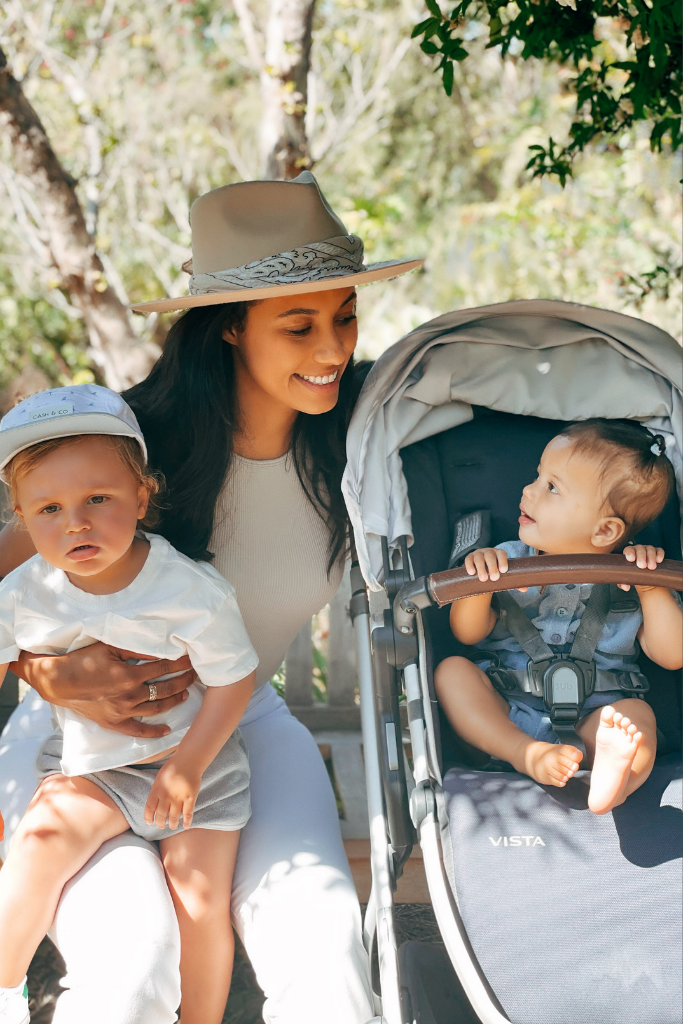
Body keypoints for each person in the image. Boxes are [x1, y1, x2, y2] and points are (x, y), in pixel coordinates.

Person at [0, 171, 422, 1024]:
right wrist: (49, 675)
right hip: (78, 744)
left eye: (344, 315)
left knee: (324, 938)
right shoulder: (123, 454)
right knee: (134, 955)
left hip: (234, 722)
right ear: (229, 328)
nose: (332, 348)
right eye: (298, 326)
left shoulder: (357, 447)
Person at [0, 385, 258, 1024]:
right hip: (95, 771)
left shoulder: (189, 589)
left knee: (199, 906)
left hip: (196, 768)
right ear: (23, 519)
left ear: (142, 496)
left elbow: (233, 682)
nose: (76, 524)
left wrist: (189, 766)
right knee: (36, 850)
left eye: (98, 499)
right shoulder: (26, 593)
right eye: (49, 509)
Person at [435, 419, 683, 815]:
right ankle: (526, 753)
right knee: (451, 671)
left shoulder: (634, 571)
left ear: (605, 531)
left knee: (638, 718)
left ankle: (612, 783)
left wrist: (651, 587)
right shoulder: (507, 558)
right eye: (538, 476)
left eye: (551, 487)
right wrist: (478, 583)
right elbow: (467, 633)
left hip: (593, 718)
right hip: (504, 713)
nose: (528, 490)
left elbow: (672, 655)